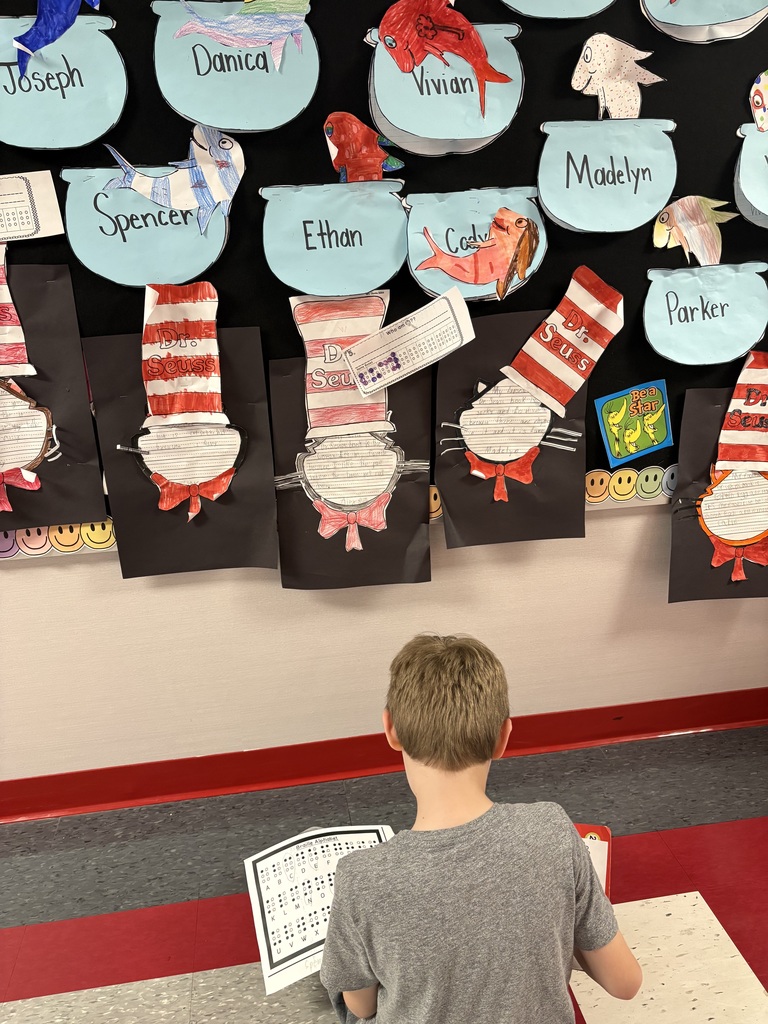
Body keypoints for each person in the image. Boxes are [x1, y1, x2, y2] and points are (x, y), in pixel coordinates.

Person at [320, 633, 642, 1023]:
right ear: (503, 737)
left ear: (391, 730)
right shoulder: (552, 829)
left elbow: (362, 1006)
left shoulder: (360, 877)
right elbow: (625, 983)